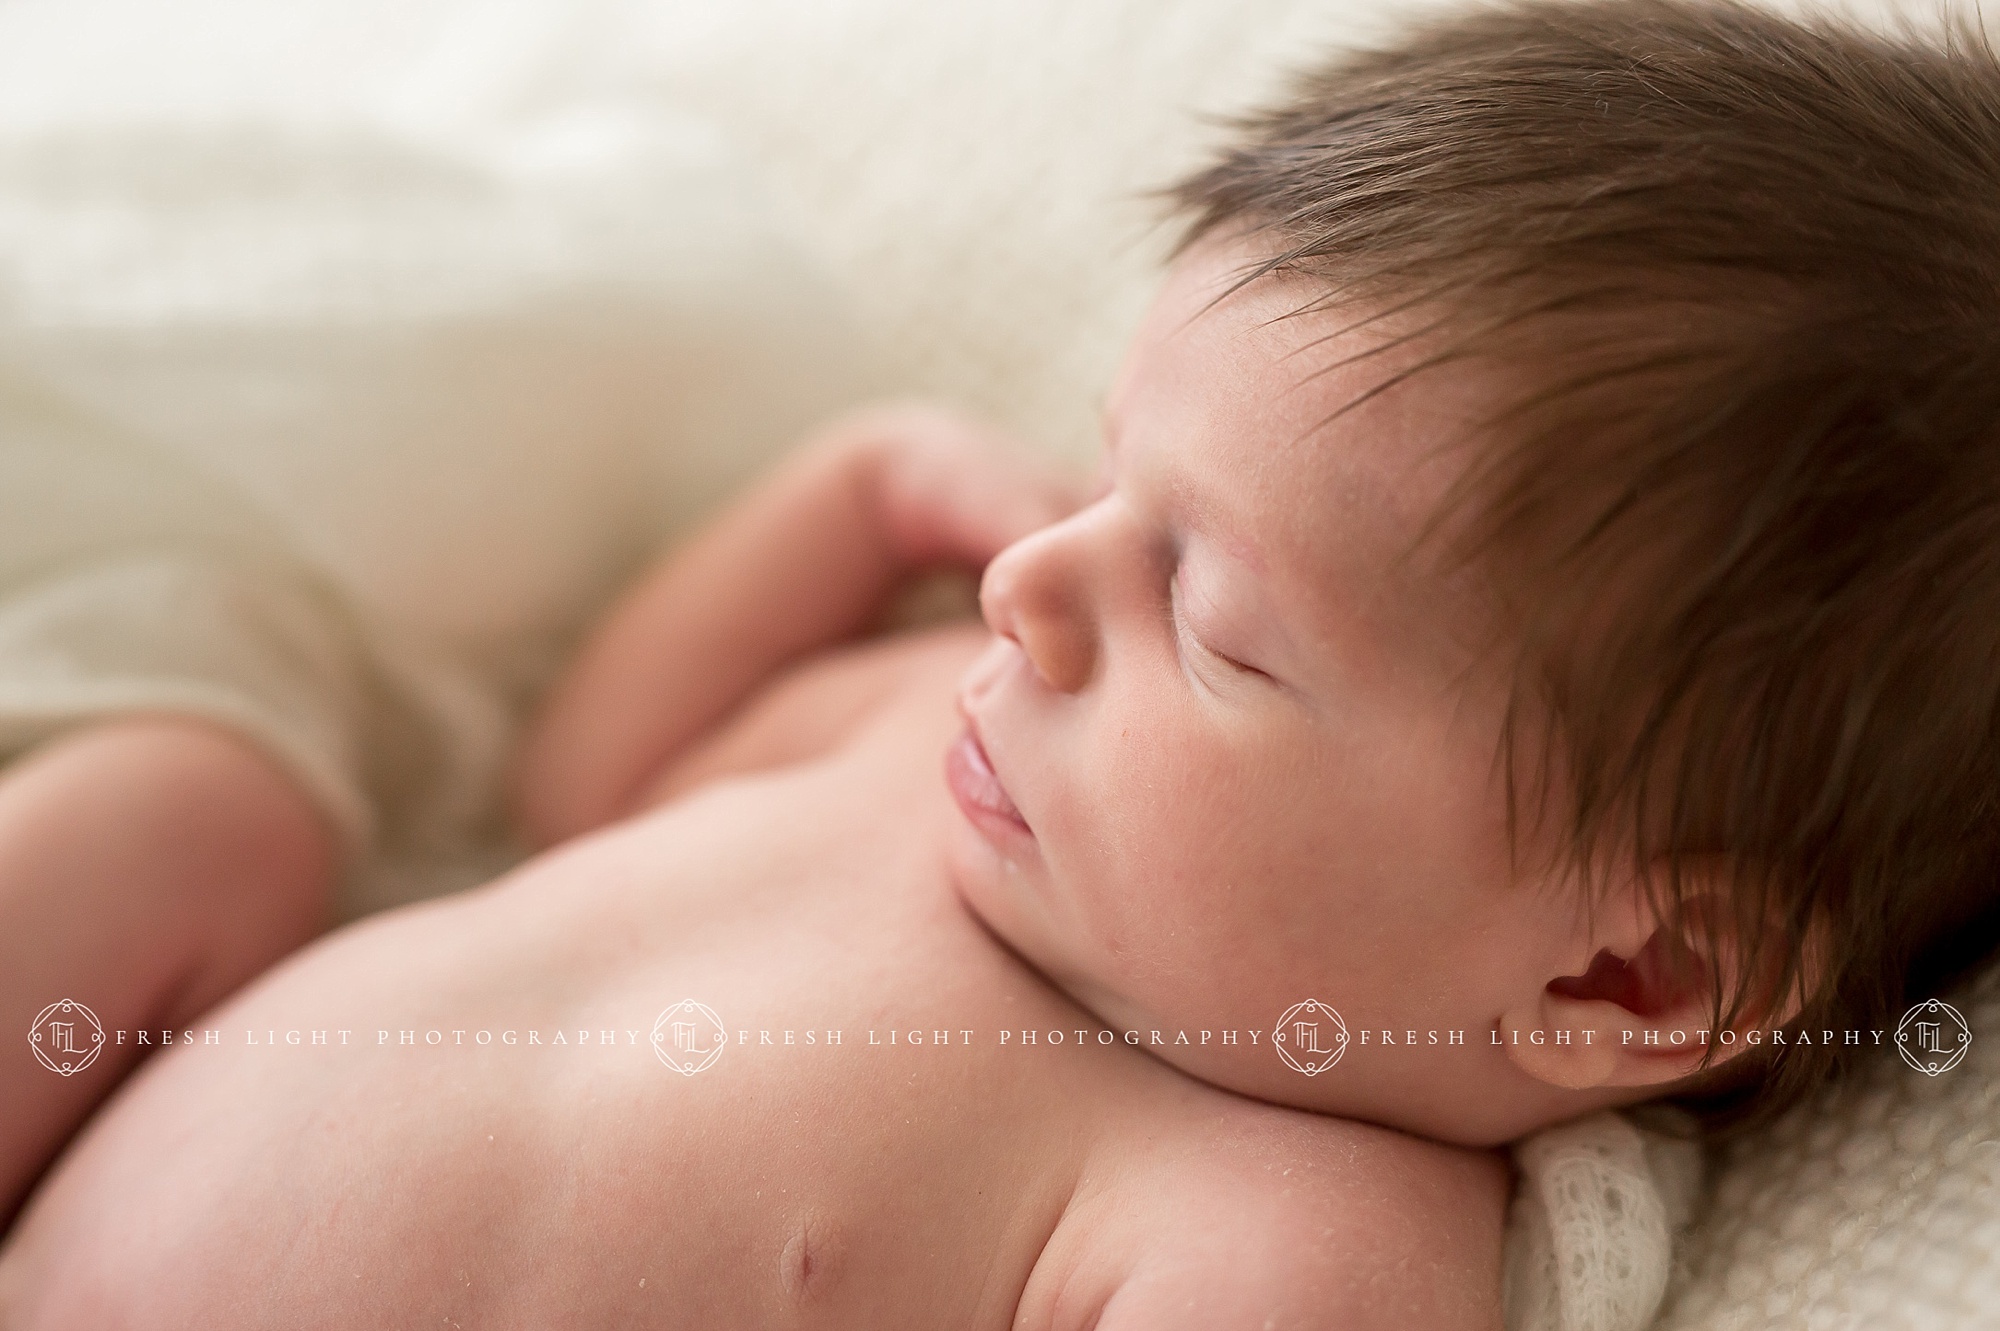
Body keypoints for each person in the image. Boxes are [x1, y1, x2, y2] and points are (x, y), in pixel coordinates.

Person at [6, 0, 1999, 1325]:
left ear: (1617, 977)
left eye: (1211, 618)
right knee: (192, 793)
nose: (1032, 583)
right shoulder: (945, 749)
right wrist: (848, 496)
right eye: (1115, 475)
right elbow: (585, 790)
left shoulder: (1279, 1226)